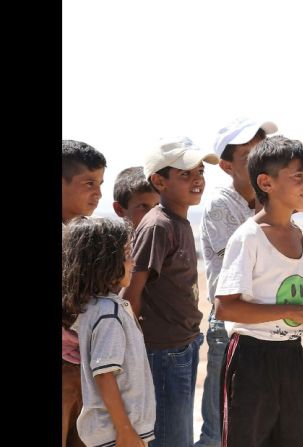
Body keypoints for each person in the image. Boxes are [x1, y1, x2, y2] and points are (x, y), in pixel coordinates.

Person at [197, 118, 303, 447]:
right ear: (266, 182)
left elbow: (294, 309)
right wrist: (294, 309)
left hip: (292, 358)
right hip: (251, 359)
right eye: (298, 177)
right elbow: (226, 307)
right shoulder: (248, 236)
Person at [120, 136, 219, 447]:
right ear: (159, 182)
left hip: (184, 344)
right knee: (172, 439)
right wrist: (137, 350)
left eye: (200, 172)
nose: (197, 180)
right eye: (186, 174)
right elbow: (131, 295)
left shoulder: (179, 221)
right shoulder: (157, 226)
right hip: (163, 351)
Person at [63, 217, 155, 447]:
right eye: (126, 255)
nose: (133, 262)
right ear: (104, 262)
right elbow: (104, 374)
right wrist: (125, 431)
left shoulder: (95, 307)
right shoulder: (108, 312)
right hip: (119, 434)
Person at [62, 139, 107, 447]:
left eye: (101, 183)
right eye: (88, 183)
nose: (98, 192)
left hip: (85, 367)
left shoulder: (90, 236)